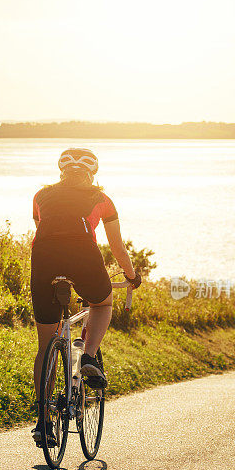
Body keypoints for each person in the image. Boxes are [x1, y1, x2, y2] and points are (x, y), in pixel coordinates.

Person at [30, 148, 141, 445]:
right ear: (93, 172)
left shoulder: (41, 195)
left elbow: (43, 231)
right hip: (84, 257)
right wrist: (131, 277)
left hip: (44, 260)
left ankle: (43, 421)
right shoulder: (102, 199)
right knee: (102, 302)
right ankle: (89, 356)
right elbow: (117, 248)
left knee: (45, 347)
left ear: (61, 171)